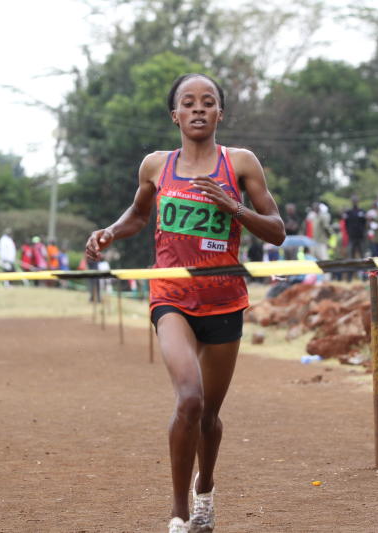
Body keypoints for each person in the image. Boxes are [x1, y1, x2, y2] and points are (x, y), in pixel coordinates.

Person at [85, 73, 285, 533]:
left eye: (208, 102)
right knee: (189, 399)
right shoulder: (157, 165)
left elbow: (276, 230)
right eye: (188, 103)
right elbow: (138, 214)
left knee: (210, 416)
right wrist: (111, 232)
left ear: (220, 113)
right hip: (171, 297)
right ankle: (177, 515)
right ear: (174, 115)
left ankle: (205, 491)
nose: (198, 109)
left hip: (225, 301)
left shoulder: (240, 164)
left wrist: (233, 206)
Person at [343, 195, 366, 282]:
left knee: (363, 258)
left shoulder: (362, 212)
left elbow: (365, 224)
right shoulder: (348, 213)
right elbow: (346, 224)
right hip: (352, 238)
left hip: (360, 238)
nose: (355, 202)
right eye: (354, 200)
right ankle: (349, 278)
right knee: (351, 258)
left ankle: (364, 277)